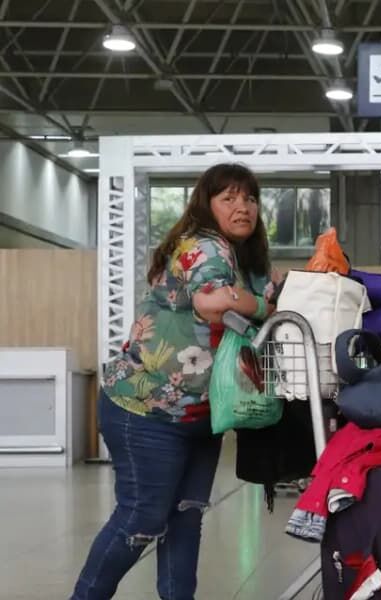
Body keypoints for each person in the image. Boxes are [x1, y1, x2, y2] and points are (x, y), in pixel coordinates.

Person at [72, 164, 277, 600]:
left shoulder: (248, 260)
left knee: (186, 520)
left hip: (202, 415)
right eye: (229, 198)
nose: (243, 206)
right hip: (146, 408)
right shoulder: (204, 245)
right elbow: (215, 304)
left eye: (250, 198)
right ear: (208, 205)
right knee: (141, 519)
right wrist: (264, 302)